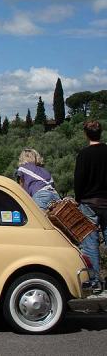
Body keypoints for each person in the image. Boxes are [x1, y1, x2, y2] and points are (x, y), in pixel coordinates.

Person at [75, 120, 107, 290]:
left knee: (90, 243)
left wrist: (78, 199)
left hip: (89, 203)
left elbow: (79, 180)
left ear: (86, 134)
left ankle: (95, 281)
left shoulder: (84, 155)